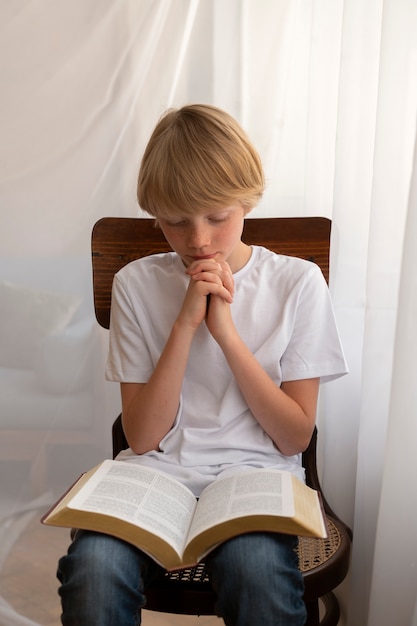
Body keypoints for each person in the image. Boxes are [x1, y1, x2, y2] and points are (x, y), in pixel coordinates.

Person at [57, 104, 348, 626]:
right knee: (93, 569)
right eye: (175, 221)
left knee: (258, 572)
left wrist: (226, 335)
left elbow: (295, 437)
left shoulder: (297, 282)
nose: (198, 240)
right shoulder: (136, 283)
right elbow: (142, 438)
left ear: (247, 201)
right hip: (155, 473)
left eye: (218, 217)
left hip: (256, 476)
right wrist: (184, 326)